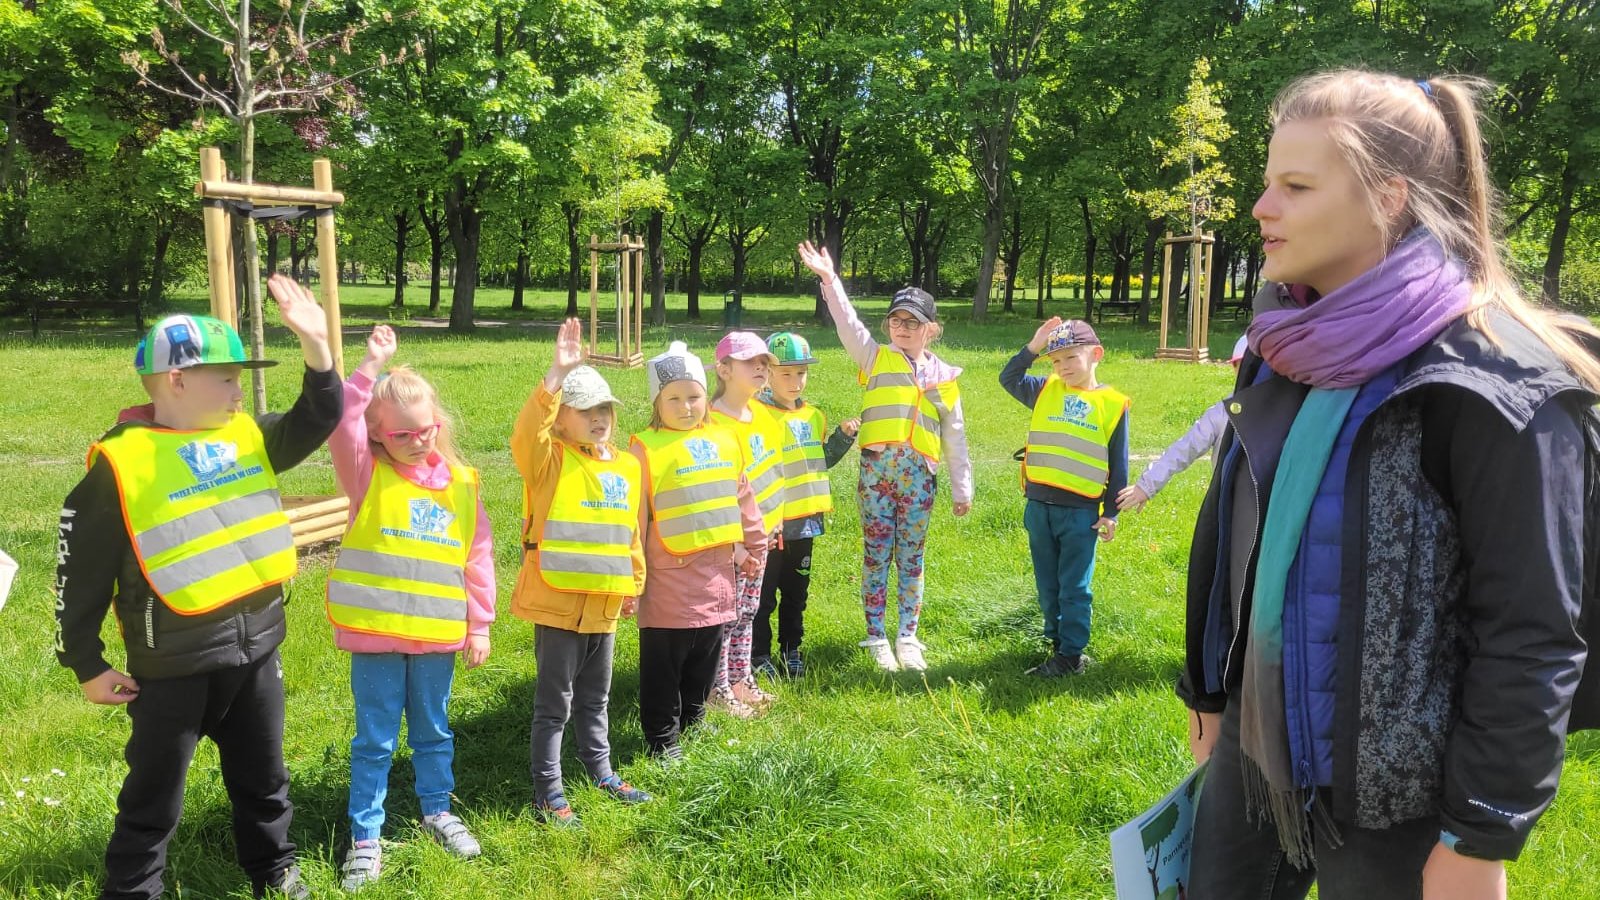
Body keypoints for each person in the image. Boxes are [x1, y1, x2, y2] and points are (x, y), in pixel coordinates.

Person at [1178, 70, 1600, 900]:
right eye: (1268, 183)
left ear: (1388, 197)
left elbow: (1533, 633)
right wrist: (1211, 688)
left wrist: (1480, 836)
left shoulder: (1496, 382)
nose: (1261, 207)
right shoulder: (1289, 342)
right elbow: (1236, 534)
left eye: (1294, 186)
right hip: (1256, 751)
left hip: (1398, 800)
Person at [53, 274, 340, 900]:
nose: (241, 388)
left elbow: (321, 414)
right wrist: (85, 662)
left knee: (264, 777)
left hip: (258, 647)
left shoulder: (246, 436)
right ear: (176, 380)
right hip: (172, 665)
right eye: (227, 376)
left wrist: (318, 347)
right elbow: (79, 573)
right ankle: (133, 889)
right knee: (154, 793)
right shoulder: (120, 466)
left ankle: (274, 867)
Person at [324, 325, 495, 888]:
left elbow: (478, 555)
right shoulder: (366, 475)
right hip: (375, 638)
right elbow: (342, 424)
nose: (419, 441)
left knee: (433, 730)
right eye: (403, 435)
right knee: (373, 739)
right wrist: (370, 367)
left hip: (437, 638)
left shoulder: (462, 485)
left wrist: (481, 625)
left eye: (428, 430)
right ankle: (366, 836)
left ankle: (437, 811)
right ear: (376, 437)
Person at [797, 243, 974, 672]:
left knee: (911, 559)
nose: (903, 328)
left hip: (920, 480)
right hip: (877, 477)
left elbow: (956, 437)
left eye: (913, 322)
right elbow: (848, 324)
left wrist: (961, 487)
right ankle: (876, 636)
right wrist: (829, 280)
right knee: (877, 554)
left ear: (932, 329)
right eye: (896, 320)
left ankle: (908, 637)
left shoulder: (946, 379)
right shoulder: (874, 358)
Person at [510, 318, 651, 828]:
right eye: (585, 410)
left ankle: (601, 771)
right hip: (557, 603)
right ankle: (548, 792)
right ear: (561, 420)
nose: (599, 417)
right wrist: (554, 376)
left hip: (606, 605)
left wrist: (634, 583)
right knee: (555, 705)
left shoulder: (626, 466)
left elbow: (627, 532)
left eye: (605, 408)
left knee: (596, 698)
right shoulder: (547, 462)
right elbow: (528, 433)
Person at [630, 341, 767, 760]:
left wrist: (755, 542)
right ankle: (662, 739)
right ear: (657, 401)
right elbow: (635, 519)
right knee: (664, 664)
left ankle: (693, 721)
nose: (686, 406)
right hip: (668, 575)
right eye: (674, 398)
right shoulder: (645, 448)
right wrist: (631, 574)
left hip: (718, 575)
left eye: (694, 396)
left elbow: (742, 496)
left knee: (704, 658)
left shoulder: (725, 440)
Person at [999, 317, 1129, 677]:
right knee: (1047, 584)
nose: (1063, 367)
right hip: (1039, 508)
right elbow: (1008, 378)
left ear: (1096, 354)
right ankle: (1057, 644)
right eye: (1056, 361)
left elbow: (1118, 465)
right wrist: (1034, 346)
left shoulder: (1113, 404)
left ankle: (1071, 654)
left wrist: (1112, 512)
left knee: (1074, 586)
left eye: (1071, 358)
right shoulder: (1045, 389)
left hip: (1081, 513)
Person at [752, 331, 860, 679]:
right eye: (786, 374)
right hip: (772, 526)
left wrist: (842, 438)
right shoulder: (755, 415)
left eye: (801, 373)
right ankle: (758, 655)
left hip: (805, 523)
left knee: (796, 592)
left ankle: (791, 650)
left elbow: (819, 461)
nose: (795, 381)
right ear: (767, 373)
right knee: (763, 596)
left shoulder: (814, 416)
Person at [707, 331, 785, 716]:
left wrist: (774, 524)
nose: (760, 367)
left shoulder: (765, 415)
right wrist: (736, 546)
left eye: (764, 362)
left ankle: (740, 678)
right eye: (749, 362)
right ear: (723, 369)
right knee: (727, 615)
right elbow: (716, 493)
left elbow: (771, 472)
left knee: (749, 611)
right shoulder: (712, 424)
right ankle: (717, 687)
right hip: (732, 544)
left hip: (763, 538)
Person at [1116, 335, 1248, 513]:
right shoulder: (1221, 414)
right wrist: (1147, 485)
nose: (1252, 374)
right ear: (1234, 368)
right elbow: (1185, 448)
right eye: (1245, 366)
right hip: (1231, 502)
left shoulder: (1287, 410)